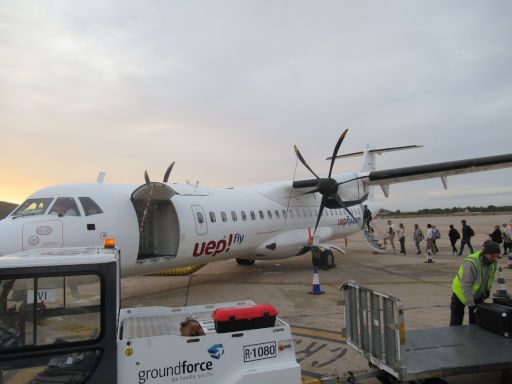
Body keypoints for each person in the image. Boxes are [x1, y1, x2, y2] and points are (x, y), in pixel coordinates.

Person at [449, 240, 500, 326]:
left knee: (476, 322)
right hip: (460, 293)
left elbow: (490, 278)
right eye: (493, 256)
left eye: (497, 256)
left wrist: (487, 290)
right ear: (485, 253)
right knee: (456, 322)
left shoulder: (493, 262)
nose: (495, 258)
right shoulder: (471, 263)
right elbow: (466, 285)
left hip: (477, 294)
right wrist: (471, 304)